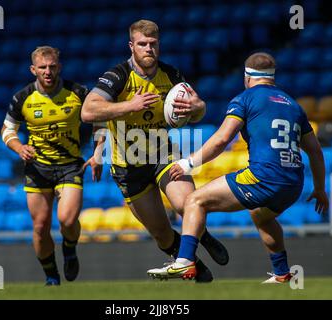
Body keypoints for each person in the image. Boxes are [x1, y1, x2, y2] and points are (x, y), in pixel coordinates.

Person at [147, 52, 329, 283]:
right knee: (262, 216)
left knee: (195, 201)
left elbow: (222, 140)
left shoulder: (245, 98)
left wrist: (188, 162)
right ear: (272, 77)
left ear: (247, 76)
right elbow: (315, 150)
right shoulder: (293, 105)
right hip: (293, 183)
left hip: (264, 178)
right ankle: (282, 273)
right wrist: (320, 189)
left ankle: (184, 262)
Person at [81, 20, 229, 283]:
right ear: (131, 46)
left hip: (163, 155)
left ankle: (201, 238)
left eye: (153, 44)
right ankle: (193, 259)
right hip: (128, 168)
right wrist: (129, 106)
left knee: (188, 203)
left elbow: (199, 109)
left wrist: (196, 108)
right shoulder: (117, 76)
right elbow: (89, 111)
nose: (148, 49)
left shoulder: (171, 76)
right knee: (161, 232)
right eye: (142, 44)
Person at [1, 46, 103, 286]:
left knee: (67, 220)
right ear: (33, 69)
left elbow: (101, 120)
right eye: (43, 67)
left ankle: (69, 249)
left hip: (70, 166)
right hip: (38, 169)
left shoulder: (77, 92)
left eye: (52, 66)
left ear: (60, 67)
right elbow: (7, 130)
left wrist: (98, 154)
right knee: (40, 226)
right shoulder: (22, 98)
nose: (48, 71)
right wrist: (19, 147)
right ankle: (51, 275)